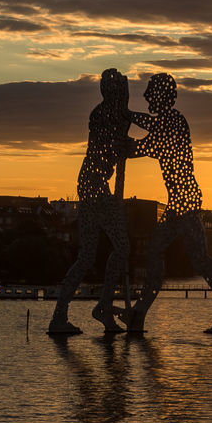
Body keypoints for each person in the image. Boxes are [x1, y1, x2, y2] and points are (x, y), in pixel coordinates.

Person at [124, 73, 212, 333]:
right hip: (179, 203)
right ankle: (141, 313)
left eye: (150, 93)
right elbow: (144, 140)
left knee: (193, 257)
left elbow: (145, 141)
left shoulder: (173, 121)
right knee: (173, 254)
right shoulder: (167, 124)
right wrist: (127, 126)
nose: (145, 97)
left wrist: (125, 115)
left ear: (162, 96)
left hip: (184, 202)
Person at [48, 68, 131, 335]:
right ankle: (103, 307)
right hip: (94, 187)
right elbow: (120, 145)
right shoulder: (108, 116)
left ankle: (61, 315)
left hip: (91, 185)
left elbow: (120, 146)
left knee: (89, 255)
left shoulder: (107, 114)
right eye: (121, 90)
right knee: (121, 247)